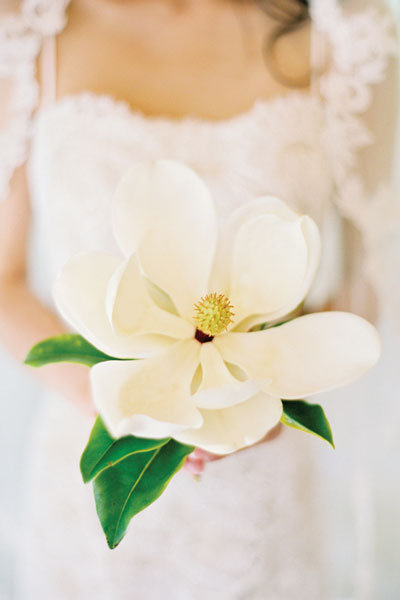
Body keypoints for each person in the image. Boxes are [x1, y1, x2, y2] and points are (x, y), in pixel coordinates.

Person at [0, 0, 397, 598]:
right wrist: (117, 401)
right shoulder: (26, 32)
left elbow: (371, 275)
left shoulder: (347, 34)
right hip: (93, 461)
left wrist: (261, 399)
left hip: (259, 488)